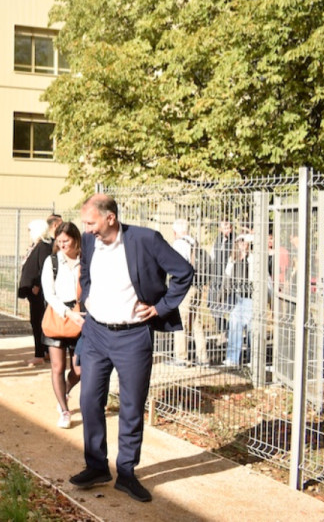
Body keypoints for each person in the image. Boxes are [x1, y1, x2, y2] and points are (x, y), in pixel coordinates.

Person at [69, 194, 193, 503]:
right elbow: (86, 271)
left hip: (133, 336)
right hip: (96, 333)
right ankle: (96, 466)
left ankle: (126, 472)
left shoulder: (145, 240)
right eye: (85, 223)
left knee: (131, 406)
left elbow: (183, 272)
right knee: (89, 400)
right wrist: (87, 300)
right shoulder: (89, 241)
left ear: (110, 218)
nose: (86, 229)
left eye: (91, 222)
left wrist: (161, 307)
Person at [41, 221, 83, 429]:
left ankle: (65, 390)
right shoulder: (52, 261)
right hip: (58, 315)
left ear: (75, 239)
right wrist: (66, 312)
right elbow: (49, 294)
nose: (62, 245)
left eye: (66, 241)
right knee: (58, 366)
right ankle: (65, 411)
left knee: (80, 369)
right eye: (59, 241)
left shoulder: (85, 260)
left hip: (80, 317)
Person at [18, 218, 57, 367]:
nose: (29, 233)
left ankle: (39, 354)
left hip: (38, 292)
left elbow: (44, 268)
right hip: (32, 291)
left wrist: (37, 285)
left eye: (30, 230)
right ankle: (44, 351)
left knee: (38, 322)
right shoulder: (37, 245)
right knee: (36, 321)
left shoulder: (43, 247)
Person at [170, 218, 208, 366]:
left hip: (185, 288)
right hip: (197, 286)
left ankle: (181, 357)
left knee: (181, 322)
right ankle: (203, 357)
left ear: (175, 232)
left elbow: (177, 266)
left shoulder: (179, 244)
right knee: (196, 322)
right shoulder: (195, 243)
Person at [224, 234, 255, 367]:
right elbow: (227, 276)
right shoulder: (233, 259)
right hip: (237, 297)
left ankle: (253, 359)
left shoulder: (253, 258)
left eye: (244, 241)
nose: (242, 244)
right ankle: (232, 358)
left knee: (252, 329)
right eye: (240, 241)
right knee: (235, 327)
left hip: (250, 297)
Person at [208, 219, 234, 331]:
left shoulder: (234, 241)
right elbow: (212, 257)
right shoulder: (217, 240)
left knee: (227, 306)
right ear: (220, 229)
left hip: (227, 278)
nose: (227, 230)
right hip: (215, 277)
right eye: (224, 228)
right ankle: (224, 329)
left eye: (228, 228)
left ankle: (228, 331)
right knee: (212, 304)